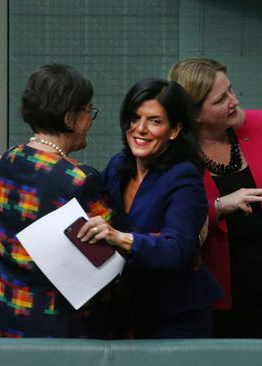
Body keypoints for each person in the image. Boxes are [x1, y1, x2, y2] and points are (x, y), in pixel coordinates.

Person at [168, 58, 262, 339]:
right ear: (195, 114)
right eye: (220, 99)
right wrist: (219, 207)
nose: (234, 101)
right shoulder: (175, 156)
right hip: (214, 299)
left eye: (230, 89)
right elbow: (172, 227)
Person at [78, 78, 223, 338]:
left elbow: (177, 249)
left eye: (155, 121)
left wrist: (119, 237)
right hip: (126, 314)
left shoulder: (184, 176)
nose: (140, 129)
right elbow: (83, 199)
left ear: (175, 130)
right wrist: (34, 170)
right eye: (134, 118)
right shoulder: (119, 165)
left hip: (176, 319)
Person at [0, 64, 115, 338]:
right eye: (87, 111)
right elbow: (113, 253)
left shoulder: (9, 160)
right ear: (69, 119)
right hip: (55, 329)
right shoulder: (80, 179)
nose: (90, 120)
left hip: (5, 314)